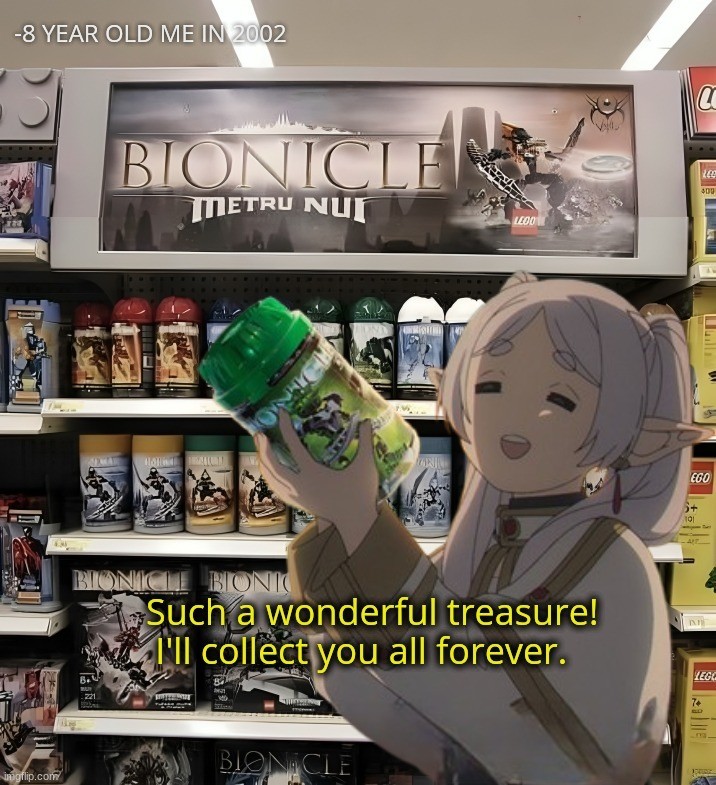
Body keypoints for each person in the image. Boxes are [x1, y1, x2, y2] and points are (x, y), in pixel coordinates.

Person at [255, 272, 708, 785]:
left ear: (620, 428)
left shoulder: (612, 561)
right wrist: (333, 519)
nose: (510, 414)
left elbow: (465, 687)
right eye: (491, 385)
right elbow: (373, 694)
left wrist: (356, 519)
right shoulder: (487, 541)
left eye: (560, 397)